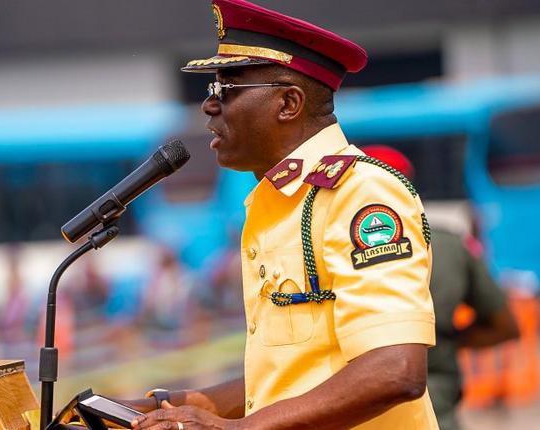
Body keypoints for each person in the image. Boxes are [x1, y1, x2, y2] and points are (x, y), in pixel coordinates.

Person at [124, 1, 438, 429]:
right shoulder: (279, 200)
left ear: (288, 103)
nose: (208, 107)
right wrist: (173, 404)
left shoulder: (360, 193)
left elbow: (394, 370)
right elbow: (291, 376)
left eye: (225, 91)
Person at [362, 145, 519, 430]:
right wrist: (441, 342)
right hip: (437, 409)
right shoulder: (450, 246)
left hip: (359, 411)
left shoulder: (328, 249)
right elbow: (505, 326)